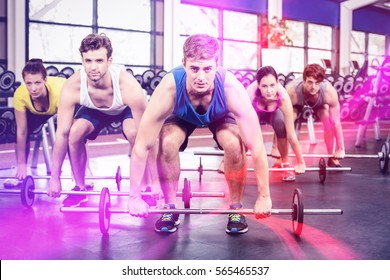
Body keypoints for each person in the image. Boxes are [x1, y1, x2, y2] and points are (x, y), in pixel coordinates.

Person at [127, 34, 272, 234]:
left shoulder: (231, 88)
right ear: (184, 64)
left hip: (219, 115)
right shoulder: (169, 88)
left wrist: (264, 196)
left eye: (207, 68)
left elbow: (256, 146)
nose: (201, 77)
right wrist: (133, 197)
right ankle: (170, 208)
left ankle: (236, 208)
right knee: (167, 142)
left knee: (234, 143)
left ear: (217, 65)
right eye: (194, 69)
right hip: (182, 115)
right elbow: (142, 146)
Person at [48, 33, 159, 207]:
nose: (93, 67)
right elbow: (61, 133)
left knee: (135, 133)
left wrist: (157, 182)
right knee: (74, 132)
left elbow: (148, 136)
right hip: (95, 109)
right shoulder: (72, 86)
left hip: (124, 108)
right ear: (82, 61)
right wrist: (54, 178)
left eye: (99, 61)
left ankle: (145, 186)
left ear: (109, 60)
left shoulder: (127, 85)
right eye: (88, 61)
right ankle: (80, 187)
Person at [3, 59, 65, 188]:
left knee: (74, 133)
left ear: (45, 80)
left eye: (37, 83)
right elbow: (22, 131)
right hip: (35, 112)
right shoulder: (20, 94)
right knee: (18, 132)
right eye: (29, 83)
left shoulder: (60, 90)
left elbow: (62, 132)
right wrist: (21, 164)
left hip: (60, 104)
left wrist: (55, 173)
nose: (33, 88)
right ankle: (20, 172)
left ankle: (84, 170)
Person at [246, 66, 306, 181]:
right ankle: (240, 162)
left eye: (272, 85)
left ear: (278, 82)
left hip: (274, 112)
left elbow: (291, 135)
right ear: (258, 85)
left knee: (281, 125)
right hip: (255, 112)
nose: (269, 91)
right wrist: (227, 158)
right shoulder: (250, 94)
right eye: (264, 86)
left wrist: (300, 161)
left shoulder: (283, 98)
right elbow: (240, 127)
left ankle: (285, 164)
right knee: (250, 133)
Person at [285, 63, 345, 166]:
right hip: (298, 104)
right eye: (310, 82)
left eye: (317, 83)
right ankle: (283, 158)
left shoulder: (329, 93)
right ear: (304, 80)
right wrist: (274, 147)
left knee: (327, 120)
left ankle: (331, 157)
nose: (313, 87)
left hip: (320, 103)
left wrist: (340, 148)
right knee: (286, 123)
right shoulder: (291, 91)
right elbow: (280, 118)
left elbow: (336, 123)